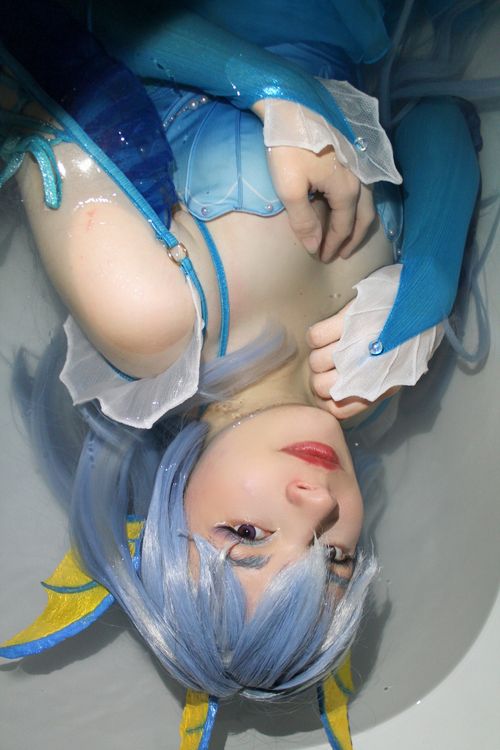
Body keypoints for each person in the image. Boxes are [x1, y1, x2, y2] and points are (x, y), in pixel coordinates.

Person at [0, 0, 492, 747]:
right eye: (334, 556)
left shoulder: (153, 320)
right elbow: (440, 120)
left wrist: (275, 90)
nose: (316, 503)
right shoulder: (370, 380)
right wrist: (426, 288)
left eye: (248, 533)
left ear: (169, 513)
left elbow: (59, 42)